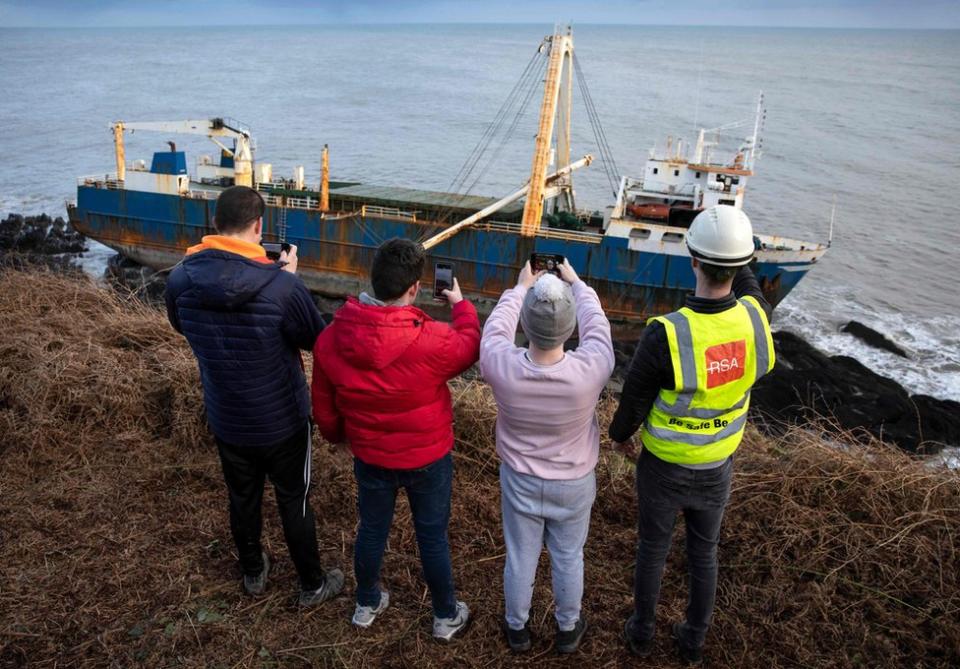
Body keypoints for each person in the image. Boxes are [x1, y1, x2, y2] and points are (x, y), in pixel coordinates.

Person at [609, 205, 775, 665]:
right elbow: (752, 290)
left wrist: (618, 436)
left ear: (693, 260)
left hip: (662, 466)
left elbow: (633, 403)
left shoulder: (668, 333)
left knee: (653, 551)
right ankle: (693, 641)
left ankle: (641, 634)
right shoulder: (756, 320)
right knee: (704, 554)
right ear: (740, 265)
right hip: (718, 463)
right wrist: (739, 254)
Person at [165, 185, 343, 606]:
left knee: (241, 495)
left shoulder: (179, 278)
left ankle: (253, 571)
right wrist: (289, 282)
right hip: (282, 418)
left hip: (227, 415)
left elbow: (181, 325)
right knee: (293, 498)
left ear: (214, 225)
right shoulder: (281, 286)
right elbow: (317, 339)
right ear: (260, 226)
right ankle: (312, 584)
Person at [311, 238, 480, 641]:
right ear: (415, 289)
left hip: (370, 455)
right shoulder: (433, 340)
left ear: (372, 280)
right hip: (428, 456)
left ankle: (366, 603)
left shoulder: (330, 339)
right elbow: (472, 344)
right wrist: (459, 304)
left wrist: (338, 438)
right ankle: (444, 615)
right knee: (432, 535)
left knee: (371, 529)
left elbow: (324, 408)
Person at [480, 259, 615, 655]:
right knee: (569, 556)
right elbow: (599, 327)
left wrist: (521, 288)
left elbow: (494, 331)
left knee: (521, 557)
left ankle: (517, 629)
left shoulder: (501, 366)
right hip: (573, 482)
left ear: (526, 325)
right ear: (570, 329)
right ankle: (568, 629)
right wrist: (576, 284)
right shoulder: (591, 369)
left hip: (520, 479)